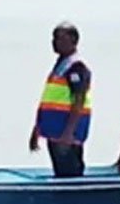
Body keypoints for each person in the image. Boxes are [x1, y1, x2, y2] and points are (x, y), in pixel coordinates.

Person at [29, 22, 93, 178]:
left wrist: (68, 134)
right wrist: (37, 129)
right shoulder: (60, 65)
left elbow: (79, 100)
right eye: (53, 38)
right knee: (60, 173)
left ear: (72, 39)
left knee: (70, 175)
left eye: (59, 38)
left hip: (67, 135)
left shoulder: (76, 66)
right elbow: (50, 101)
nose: (54, 42)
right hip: (54, 133)